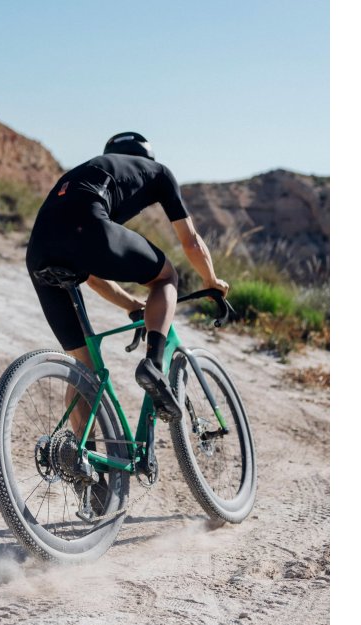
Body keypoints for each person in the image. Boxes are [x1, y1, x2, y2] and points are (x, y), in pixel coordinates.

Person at [26, 132, 229, 421]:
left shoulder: (89, 172)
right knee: (165, 276)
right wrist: (211, 280)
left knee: (84, 370)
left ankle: (79, 448)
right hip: (88, 226)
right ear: (145, 158)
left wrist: (131, 304)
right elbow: (191, 242)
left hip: (38, 249)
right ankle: (154, 366)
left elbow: (93, 275)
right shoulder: (159, 172)